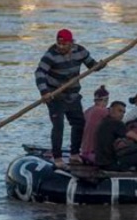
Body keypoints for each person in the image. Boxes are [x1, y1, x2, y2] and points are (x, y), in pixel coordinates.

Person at [35, 29, 106, 169]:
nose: (61, 47)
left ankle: (74, 154)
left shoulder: (80, 51)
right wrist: (44, 92)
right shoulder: (51, 55)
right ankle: (57, 157)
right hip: (55, 96)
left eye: (64, 44)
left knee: (79, 123)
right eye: (59, 44)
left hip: (73, 96)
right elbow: (40, 72)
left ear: (71, 43)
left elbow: (91, 65)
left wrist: (99, 65)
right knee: (58, 126)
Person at [79, 85, 110, 163]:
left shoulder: (87, 111)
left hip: (84, 151)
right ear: (106, 99)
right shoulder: (103, 111)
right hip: (93, 152)